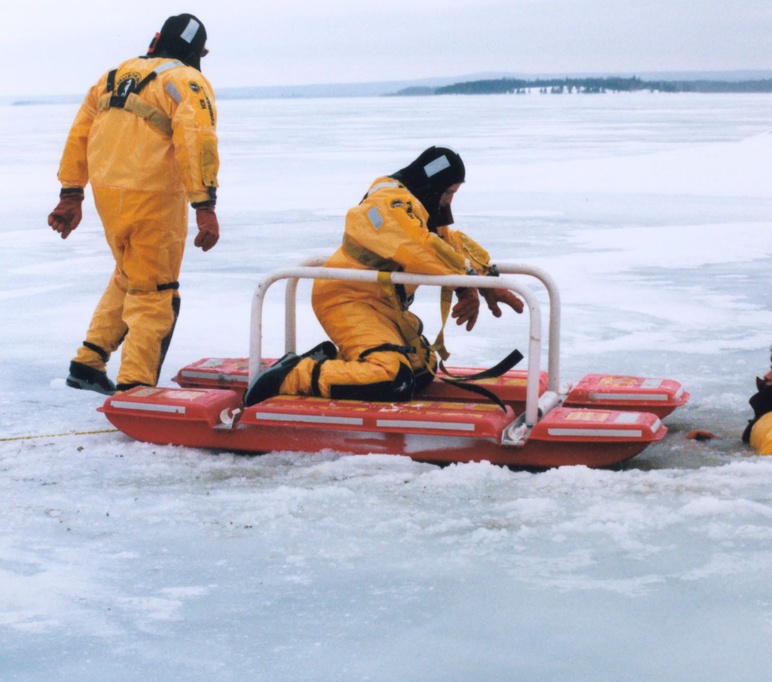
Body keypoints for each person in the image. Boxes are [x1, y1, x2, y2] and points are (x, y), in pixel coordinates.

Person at [245, 146, 524, 407]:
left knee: (422, 367)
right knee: (392, 379)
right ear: (433, 184)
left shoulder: (416, 207)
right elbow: (419, 248)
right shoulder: (387, 204)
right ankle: (291, 376)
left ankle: (337, 361)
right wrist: (469, 280)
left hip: (382, 302)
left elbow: (449, 242)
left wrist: (487, 280)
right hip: (347, 298)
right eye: (448, 192)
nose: (448, 201)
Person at [48, 14, 220, 395]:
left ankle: (89, 361)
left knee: (130, 276)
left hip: (109, 198)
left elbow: (80, 133)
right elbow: (197, 140)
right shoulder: (186, 81)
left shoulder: (112, 77)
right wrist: (204, 205)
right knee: (156, 292)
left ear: (157, 38)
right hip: (153, 199)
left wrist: (71, 194)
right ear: (197, 53)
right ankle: (136, 386)